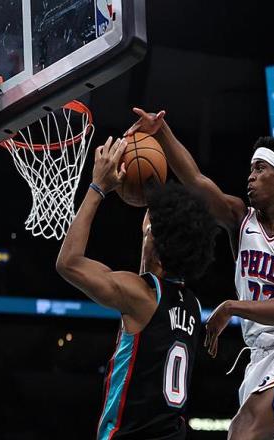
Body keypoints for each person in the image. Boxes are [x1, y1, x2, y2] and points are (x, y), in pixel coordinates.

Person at [125, 110, 274, 440]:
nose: (250, 177)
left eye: (259, 169)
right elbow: (195, 181)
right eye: (250, 170)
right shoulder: (239, 219)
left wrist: (230, 307)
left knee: (241, 432)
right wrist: (161, 132)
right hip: (257, 358)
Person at [56, 136, 218, 440]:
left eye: (150, 224)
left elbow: (69, 263)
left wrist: (98, 186)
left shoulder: (142, 295)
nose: (145, 221)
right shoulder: (193, 306)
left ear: (156, 244)